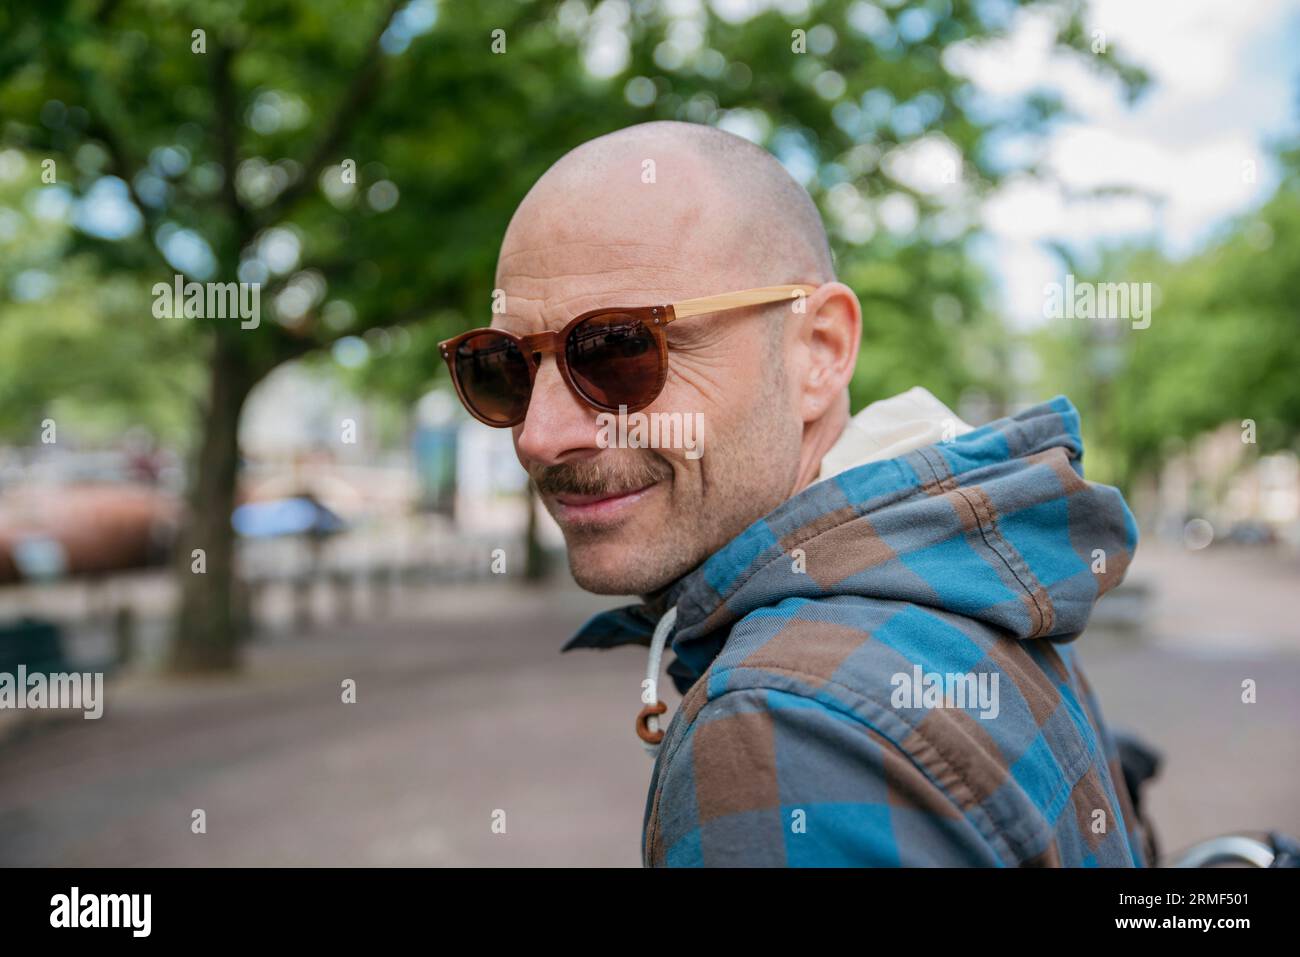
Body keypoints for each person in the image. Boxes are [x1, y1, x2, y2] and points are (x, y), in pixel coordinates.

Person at [439, 120, 1147, 866]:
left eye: (618, 349)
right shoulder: (988, 591)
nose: (539, 435)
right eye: (503, 367)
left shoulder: (778, 727)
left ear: (820, 350)